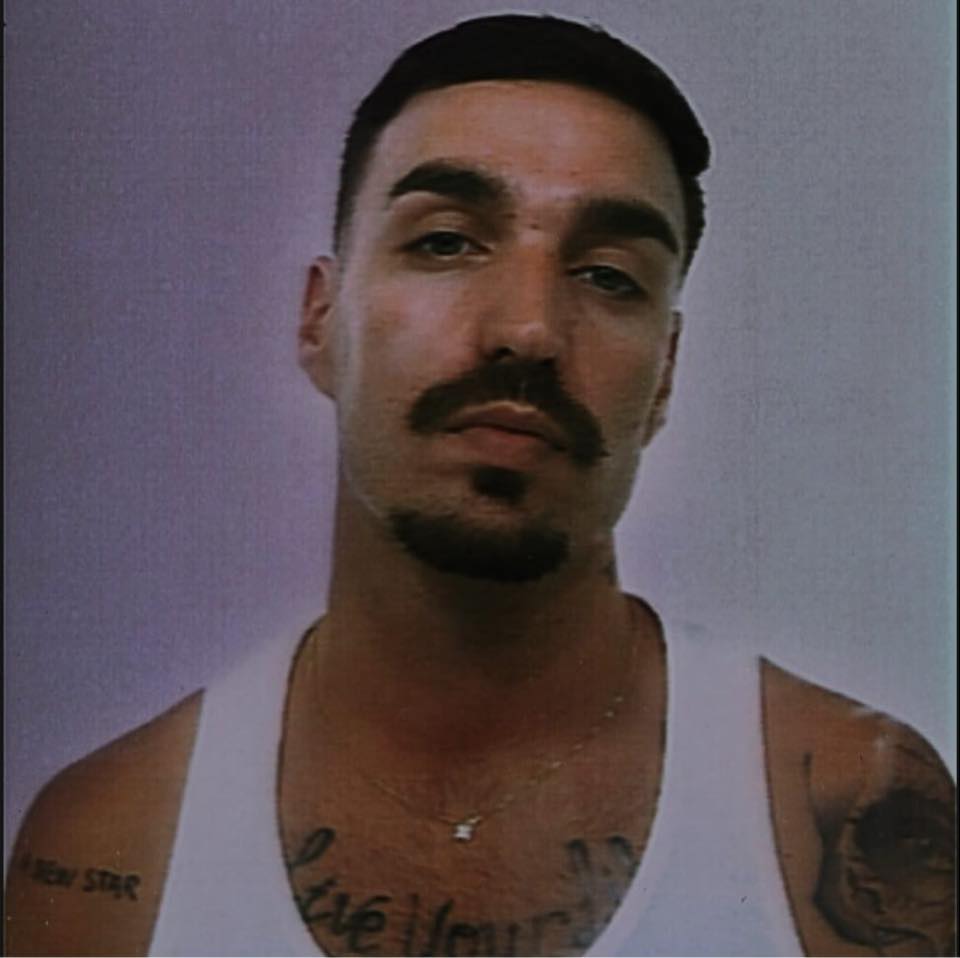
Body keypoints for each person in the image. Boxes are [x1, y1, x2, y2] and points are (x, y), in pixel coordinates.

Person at [5, 14, 954, 957]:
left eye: (608, 275)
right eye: (446, 243)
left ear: (664, 375)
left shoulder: (847, 813)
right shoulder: (108, 844)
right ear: (321, 321)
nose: (528, 329)